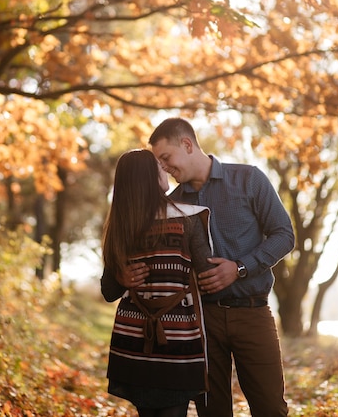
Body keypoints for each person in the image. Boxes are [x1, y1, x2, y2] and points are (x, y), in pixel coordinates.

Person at [148, 118, 295, 417]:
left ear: (187, 145)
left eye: (165, 158)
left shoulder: (249, 179)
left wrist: (239, 268)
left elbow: (284, 235)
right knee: (211, 412)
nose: (164, 167)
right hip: (200, 323)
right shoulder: (172, 204)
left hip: (252, 314)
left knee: (270, 408)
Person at [101, 148, 214, 417]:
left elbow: (207, 277)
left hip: (146, 342)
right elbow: (108, 290)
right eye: (157, 166)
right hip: (169, 342)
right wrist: (121, 277)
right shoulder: (187, 219)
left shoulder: (129, 222)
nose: (164, 169)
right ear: (146, 178)